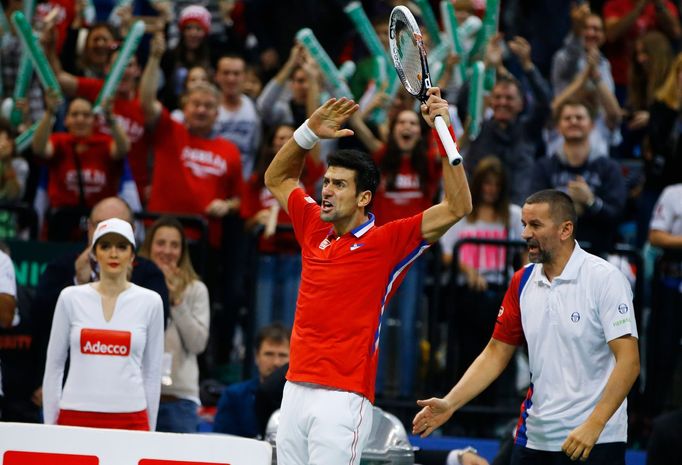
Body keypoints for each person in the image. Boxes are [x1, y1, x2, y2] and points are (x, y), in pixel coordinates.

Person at [264, 87, 472, 464]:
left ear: (364, 198)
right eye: (326, 182)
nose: (326, 191)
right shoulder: (313, 226)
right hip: (293, 389)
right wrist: (307, 132)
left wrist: (443, 130)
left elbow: (458, 206)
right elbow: (278, 178)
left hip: (343, 398)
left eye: (339, 185)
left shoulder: (388, 241)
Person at [414, 189, 640, 464]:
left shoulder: (605, 279)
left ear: (565, 229)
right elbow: (495, 353)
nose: (524, 234)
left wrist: (596, 423)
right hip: (534, 439)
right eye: (523, 225)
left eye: (535, 225)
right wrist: (450, 403)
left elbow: (629, 361)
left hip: (595, 439)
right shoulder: (521, 281)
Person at [31, 197, 170, 408]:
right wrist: (77, 282)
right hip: (71, 398)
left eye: (118, 228)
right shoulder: (63, 267)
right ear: (89, 227)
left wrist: (124, 285)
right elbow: (39, 319)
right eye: (99, 225)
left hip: (128, 404)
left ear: (132, 232)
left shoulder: (148, 275)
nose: (108, 232)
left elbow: (155, 342)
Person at [138, 216, 210, 433]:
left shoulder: (196, 289)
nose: (167, 251)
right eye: (160, 243)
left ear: (182, 252)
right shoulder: (133, 286)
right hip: (136, 396)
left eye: (174, 245)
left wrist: (177, 301)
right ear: (149, 247)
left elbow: (198, 344)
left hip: (180, 400)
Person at [530, 100, 626, 255]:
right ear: (558, 127)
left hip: (597, 255)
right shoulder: (544, 167)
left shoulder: (609, 168)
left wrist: (591, 202)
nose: (573, 121)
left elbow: (617, 214)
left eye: (579, 117)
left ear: (592, 125)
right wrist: (568, 207)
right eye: (567, 118)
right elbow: (533, 211)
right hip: (553, 254)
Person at [31, 90, 130, 241]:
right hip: (62, 225)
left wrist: (110, 119)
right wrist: (50, 113)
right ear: (66, 120)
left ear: (94, 120)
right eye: (75, 114)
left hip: (100, 224)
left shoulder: (105, 143)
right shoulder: (59, 142)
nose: (80, 119)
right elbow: (39, 148)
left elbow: (123, 149)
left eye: (86, 115)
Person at [644, 183, 682, 418]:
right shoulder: (673, 193)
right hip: (672, 285)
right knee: (663, 354)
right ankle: (651, 420)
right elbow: (655, 235)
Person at [213, 322, 290, 438]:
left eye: (283, 355)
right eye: (269, 354)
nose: (276, 363)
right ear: (256, 356)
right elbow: (221, 444)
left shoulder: (301, 400)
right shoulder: (234, 396)